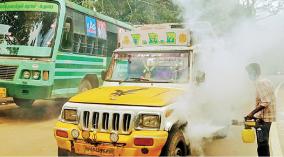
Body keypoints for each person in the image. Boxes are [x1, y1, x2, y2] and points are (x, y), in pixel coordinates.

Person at [246, 63, 276, 157]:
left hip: (264, 120)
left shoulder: (260, 83)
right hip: (264, 118)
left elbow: (265, 102)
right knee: (263, 146)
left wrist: (251, 113)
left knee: (262, 147)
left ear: (255, 72)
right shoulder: (265, 81)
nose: (248, 75)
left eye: (249, 72)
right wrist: (255, 116)